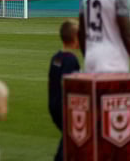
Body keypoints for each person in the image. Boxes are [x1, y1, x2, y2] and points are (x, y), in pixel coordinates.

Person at [48, 20, 81, 161]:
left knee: (69, 136)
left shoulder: (56, 57)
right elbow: (70, 84)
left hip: (53, 104)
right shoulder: (71, 60)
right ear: (75, 38)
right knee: (72, 135)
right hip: (65, 106)